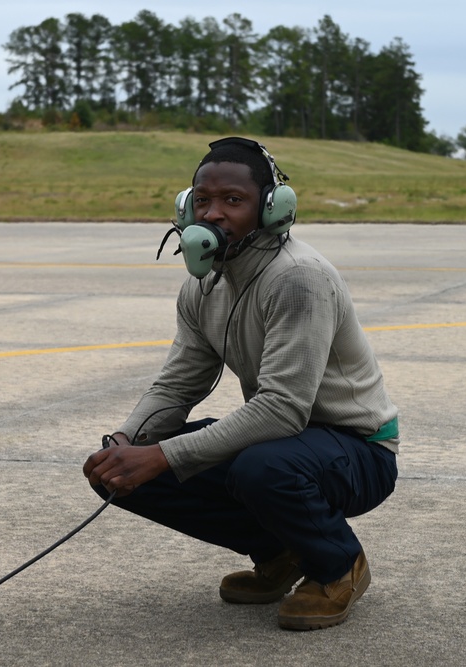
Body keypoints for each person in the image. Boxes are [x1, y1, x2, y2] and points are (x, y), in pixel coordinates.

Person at [83, 137, 399, 631]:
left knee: (260, 468)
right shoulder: (203, 284)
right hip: (284, 445)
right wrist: (129, 441)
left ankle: (338, 566)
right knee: (118, 473)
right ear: (186, 208)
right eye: (202, 200)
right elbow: (178, 384)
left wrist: (163, 455)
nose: (213, 214)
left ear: (270, 209)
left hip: (356, 450)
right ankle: (281, 551)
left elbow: (281, 410)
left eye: (233, 200)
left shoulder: (299, 278)